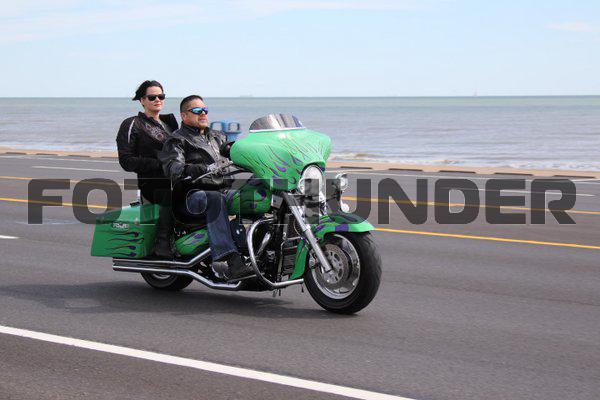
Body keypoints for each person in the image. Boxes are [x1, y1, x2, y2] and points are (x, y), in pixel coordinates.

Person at [160, 95, 254, 280]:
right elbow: (173, 168)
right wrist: (199, 168)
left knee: (255, 193)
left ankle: (258, 248)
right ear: (184, 115)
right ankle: (231, 259)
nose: (203, 113)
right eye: (197, 110)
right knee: (214, 199)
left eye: (205, 110)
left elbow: (238, 155)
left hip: (222, 190)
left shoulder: (218, 137)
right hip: (191, 196)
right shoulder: (177, 140)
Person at [116, 80, 178, 259]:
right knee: (169, 193)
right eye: (152, 97)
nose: (157, 100)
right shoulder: (133, 124)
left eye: (161, 96)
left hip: (177, 177)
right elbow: (126, 161)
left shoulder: (170, 124)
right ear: (142, 100)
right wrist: (160, 164)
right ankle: (162, 242)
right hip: (153, 183)